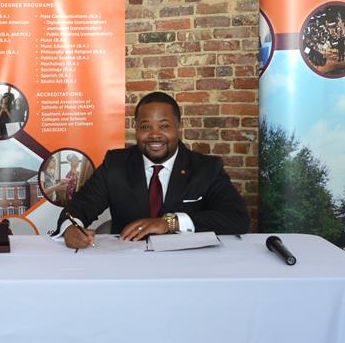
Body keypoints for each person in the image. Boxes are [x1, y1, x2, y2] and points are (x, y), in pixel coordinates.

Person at [59, 91, 249, 249]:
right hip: (128, 266)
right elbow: (80, 206)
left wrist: (170, 223)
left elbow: (237, 217)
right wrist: (71, 228)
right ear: (136, 129)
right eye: (145, 127)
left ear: (178, 127)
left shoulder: (207, 168)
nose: (155, 135)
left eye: (164, 126)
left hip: (189, 267)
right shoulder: (116, 164)